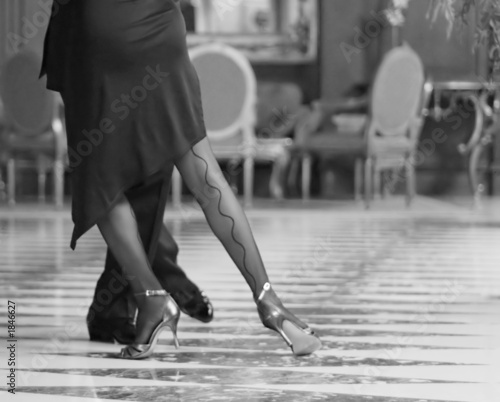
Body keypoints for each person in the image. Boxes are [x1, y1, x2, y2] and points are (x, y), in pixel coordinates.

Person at [41, 0, 321, 359]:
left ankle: (152, 299)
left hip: (98, 30)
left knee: (101, 180)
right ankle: (270, 301)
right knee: (206, 177)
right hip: (160, 30)